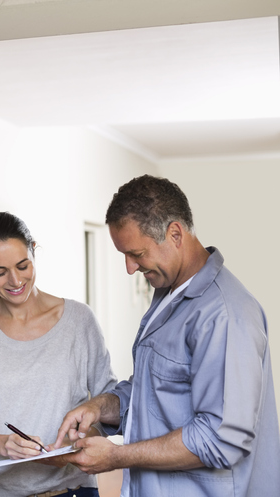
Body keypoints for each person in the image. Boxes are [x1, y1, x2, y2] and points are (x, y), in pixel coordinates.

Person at [48, 175, 280, 496]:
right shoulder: (167, 293)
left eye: (137, 253)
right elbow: (156, 392)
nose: (130, 268)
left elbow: (220, 439)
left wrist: (117, 456)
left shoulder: (225, 315)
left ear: (174, 233)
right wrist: (101, 407)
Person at [0, 211, 117, 497]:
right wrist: (3, 444)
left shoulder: (79, 320)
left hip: (71, 489)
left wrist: (78, 439)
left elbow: (110, 403)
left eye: (22, 265)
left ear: (34, 251)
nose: (15, 281)